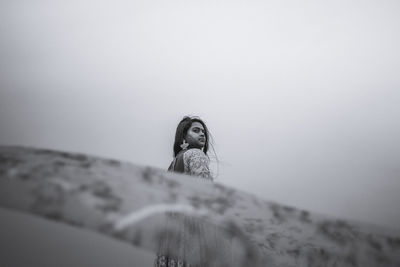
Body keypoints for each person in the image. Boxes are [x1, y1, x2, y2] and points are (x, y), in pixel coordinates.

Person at [155, 116, 218, 267]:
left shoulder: (172, 165)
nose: (202, 134)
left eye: (203, 132)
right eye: (196, 130)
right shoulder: (195, 154)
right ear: (184, 135)